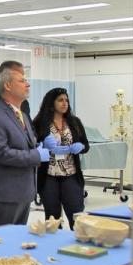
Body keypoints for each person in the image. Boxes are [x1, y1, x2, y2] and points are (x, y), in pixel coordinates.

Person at [0, 66, 49, 227]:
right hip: (7, 194)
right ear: (7, 86)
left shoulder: (22, 115)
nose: (28, 84)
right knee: (1, 243)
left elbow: (25, 144)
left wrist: (39, 146)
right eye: (22, 81)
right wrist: (36, 155)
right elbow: (0, 153)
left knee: (16, 241)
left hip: (24, 191)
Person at [32, 88, 90, 229]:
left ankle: (79, 246)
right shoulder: (40, 122)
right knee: (52, 219)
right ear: (51, 103)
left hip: (71, 175)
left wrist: (80, 147)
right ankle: (53, 247)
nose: (65, 103)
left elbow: (86, 145)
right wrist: (42, 145)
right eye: (60, 100)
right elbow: (31, 146)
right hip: (49, 176)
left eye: (66, 100)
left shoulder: (74, 121)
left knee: (77, 216)